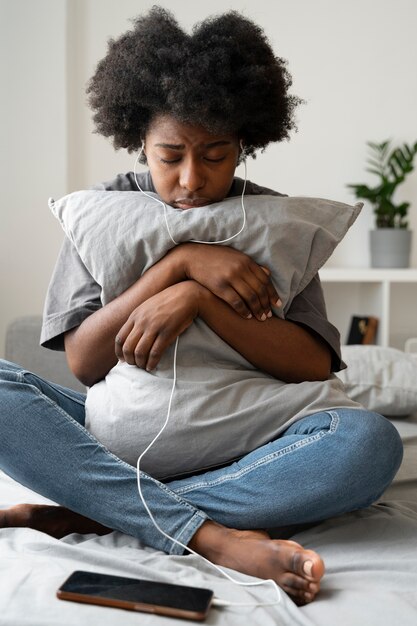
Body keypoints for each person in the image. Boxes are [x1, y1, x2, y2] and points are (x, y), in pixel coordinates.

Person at [0, 7, 403, 605]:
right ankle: (211, 535)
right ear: (139, 139)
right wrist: (179, 266)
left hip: (254, 440)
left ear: (244, 144)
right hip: (123, 427)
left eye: (215, 155)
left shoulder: (278, 223)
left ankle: (103, 509)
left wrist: (203, 303)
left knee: (371, 443)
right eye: (170, 155)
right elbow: (85, 365)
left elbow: (313, 367)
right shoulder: (99, 216)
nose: (192, 178)